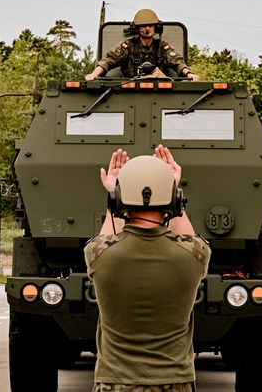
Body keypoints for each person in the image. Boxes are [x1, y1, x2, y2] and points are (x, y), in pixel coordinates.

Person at [84, 145, 211, 392]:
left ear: (117, 201)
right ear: (175, 200)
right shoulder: (192, 256)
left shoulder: (101, 255)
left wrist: (114, 192)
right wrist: (172, 186)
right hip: (174, 382)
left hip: (115, 383)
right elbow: (191, 240)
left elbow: (107, 236)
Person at [85, 9, 200, 81]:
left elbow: (177, 62)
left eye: (150, 25)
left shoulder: (162, 47)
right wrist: (94, 75)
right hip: (130, 91)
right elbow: (108, 60)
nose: (147, 28)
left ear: (156, 27)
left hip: (159, 91)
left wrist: (189, 74)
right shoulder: (128, 46)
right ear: (137, 28)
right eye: (143, 25)